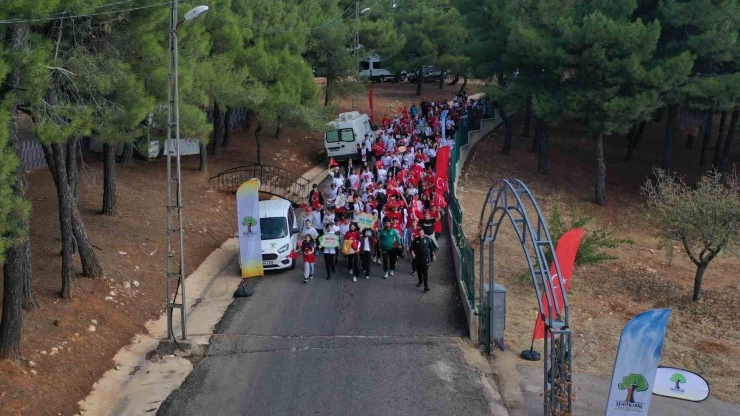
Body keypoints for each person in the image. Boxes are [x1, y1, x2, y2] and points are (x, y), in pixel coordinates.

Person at [410, 227, 435, 292]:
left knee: (425, 272)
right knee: (419, 271)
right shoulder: (415, 240)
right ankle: (420, 281)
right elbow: (412, 248)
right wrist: (412, 253)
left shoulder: (427, 239)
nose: (420, 234)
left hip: (425, 258)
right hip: (418, 258)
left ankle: (426, 287)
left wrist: (433, 255)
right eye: (419, 233)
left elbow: (431, 248)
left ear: (423, 233)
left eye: (421, 233)